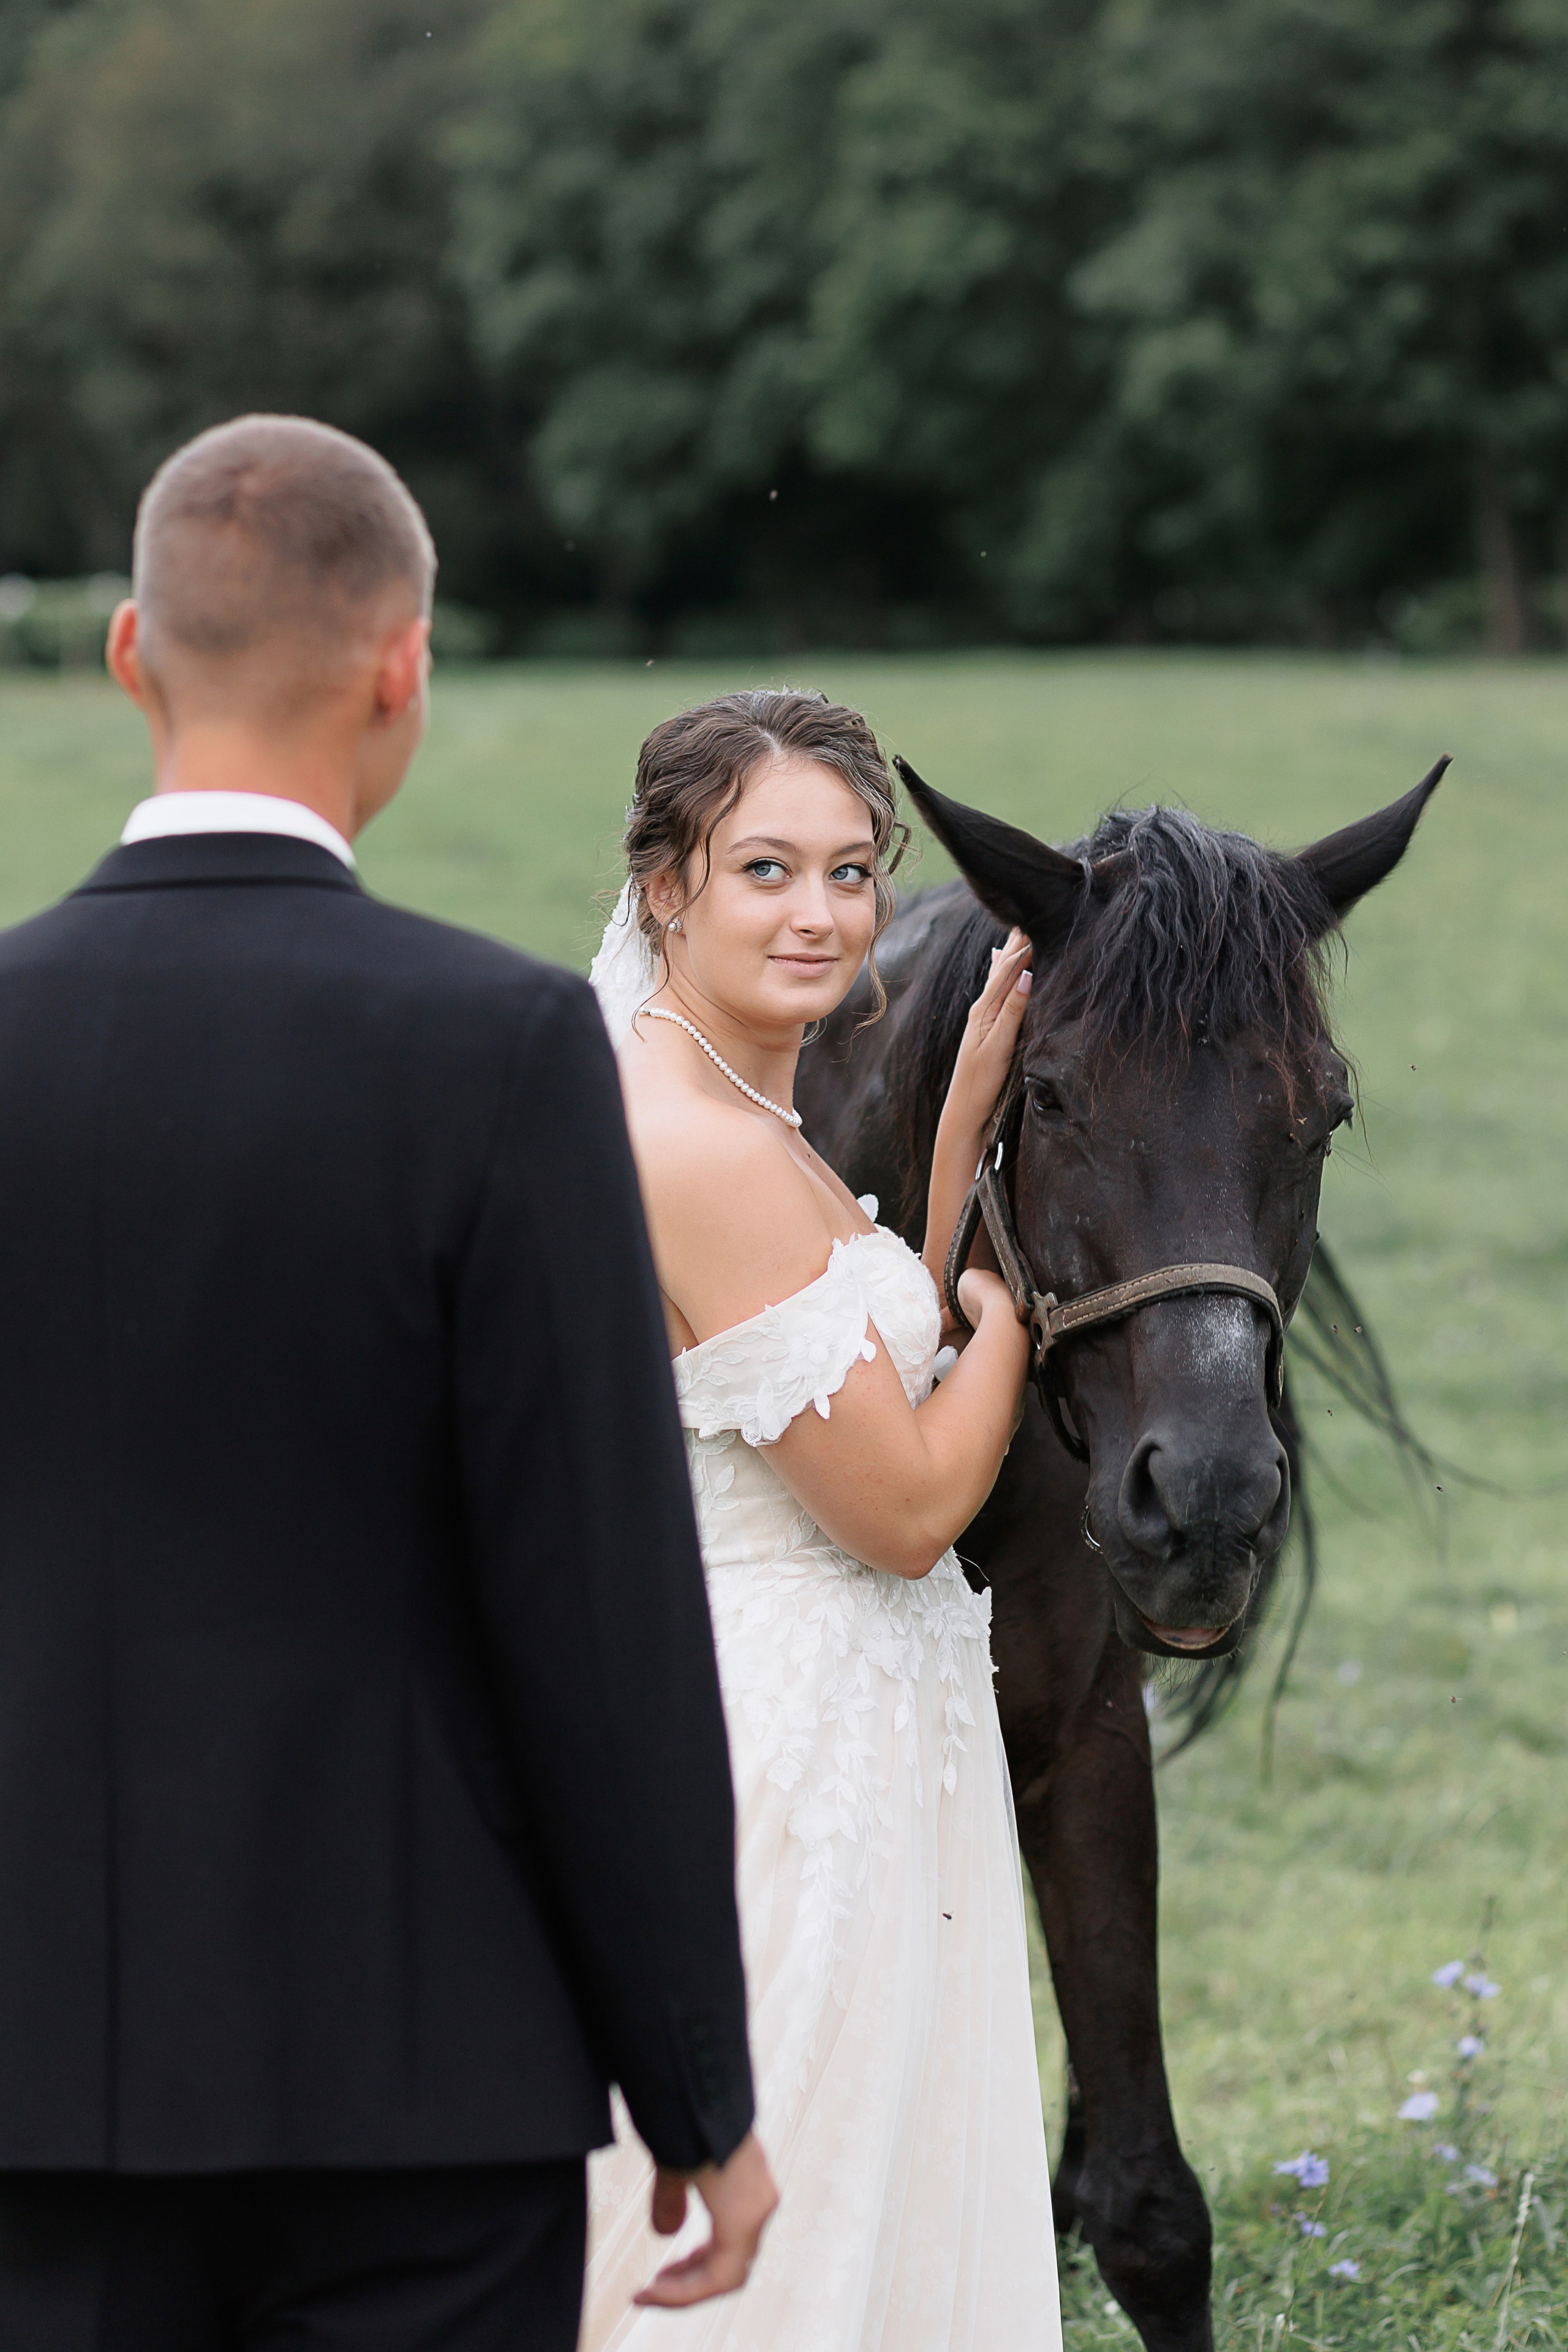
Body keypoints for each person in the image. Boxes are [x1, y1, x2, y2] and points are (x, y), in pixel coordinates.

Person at [0, 415, 775, 2352]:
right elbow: (596, 1607)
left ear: (127, 655)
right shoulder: (499, 1051)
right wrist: (696, 2090)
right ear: (403, 661)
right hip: (421, 2076)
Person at [583, 690, 1063, 2350]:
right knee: (804, 2238)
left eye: (853, 871)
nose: (819, 913)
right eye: (765, 869)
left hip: (835, 1715)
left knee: (872, 2212)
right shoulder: (696, 1144)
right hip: (788, 1754)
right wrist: (1010, 1327)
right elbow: (909, 1504)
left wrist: (951, 1147)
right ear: (664, 887)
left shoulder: (730, 1099)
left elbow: (839, 1369)